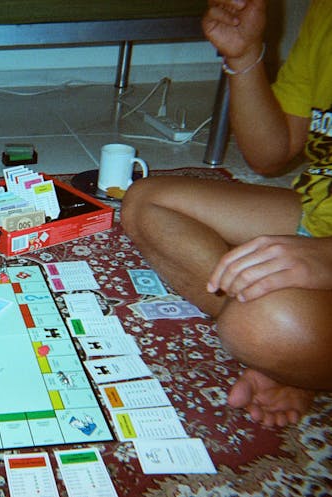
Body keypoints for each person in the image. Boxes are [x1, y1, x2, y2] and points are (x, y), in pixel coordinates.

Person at [121, 0, 332, 427]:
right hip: (318, 209)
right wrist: (244, 56)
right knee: (145, 201)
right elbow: (270, 155)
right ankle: (295, 351)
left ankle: (290, 344)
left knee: (261, 324)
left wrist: (326, 257)